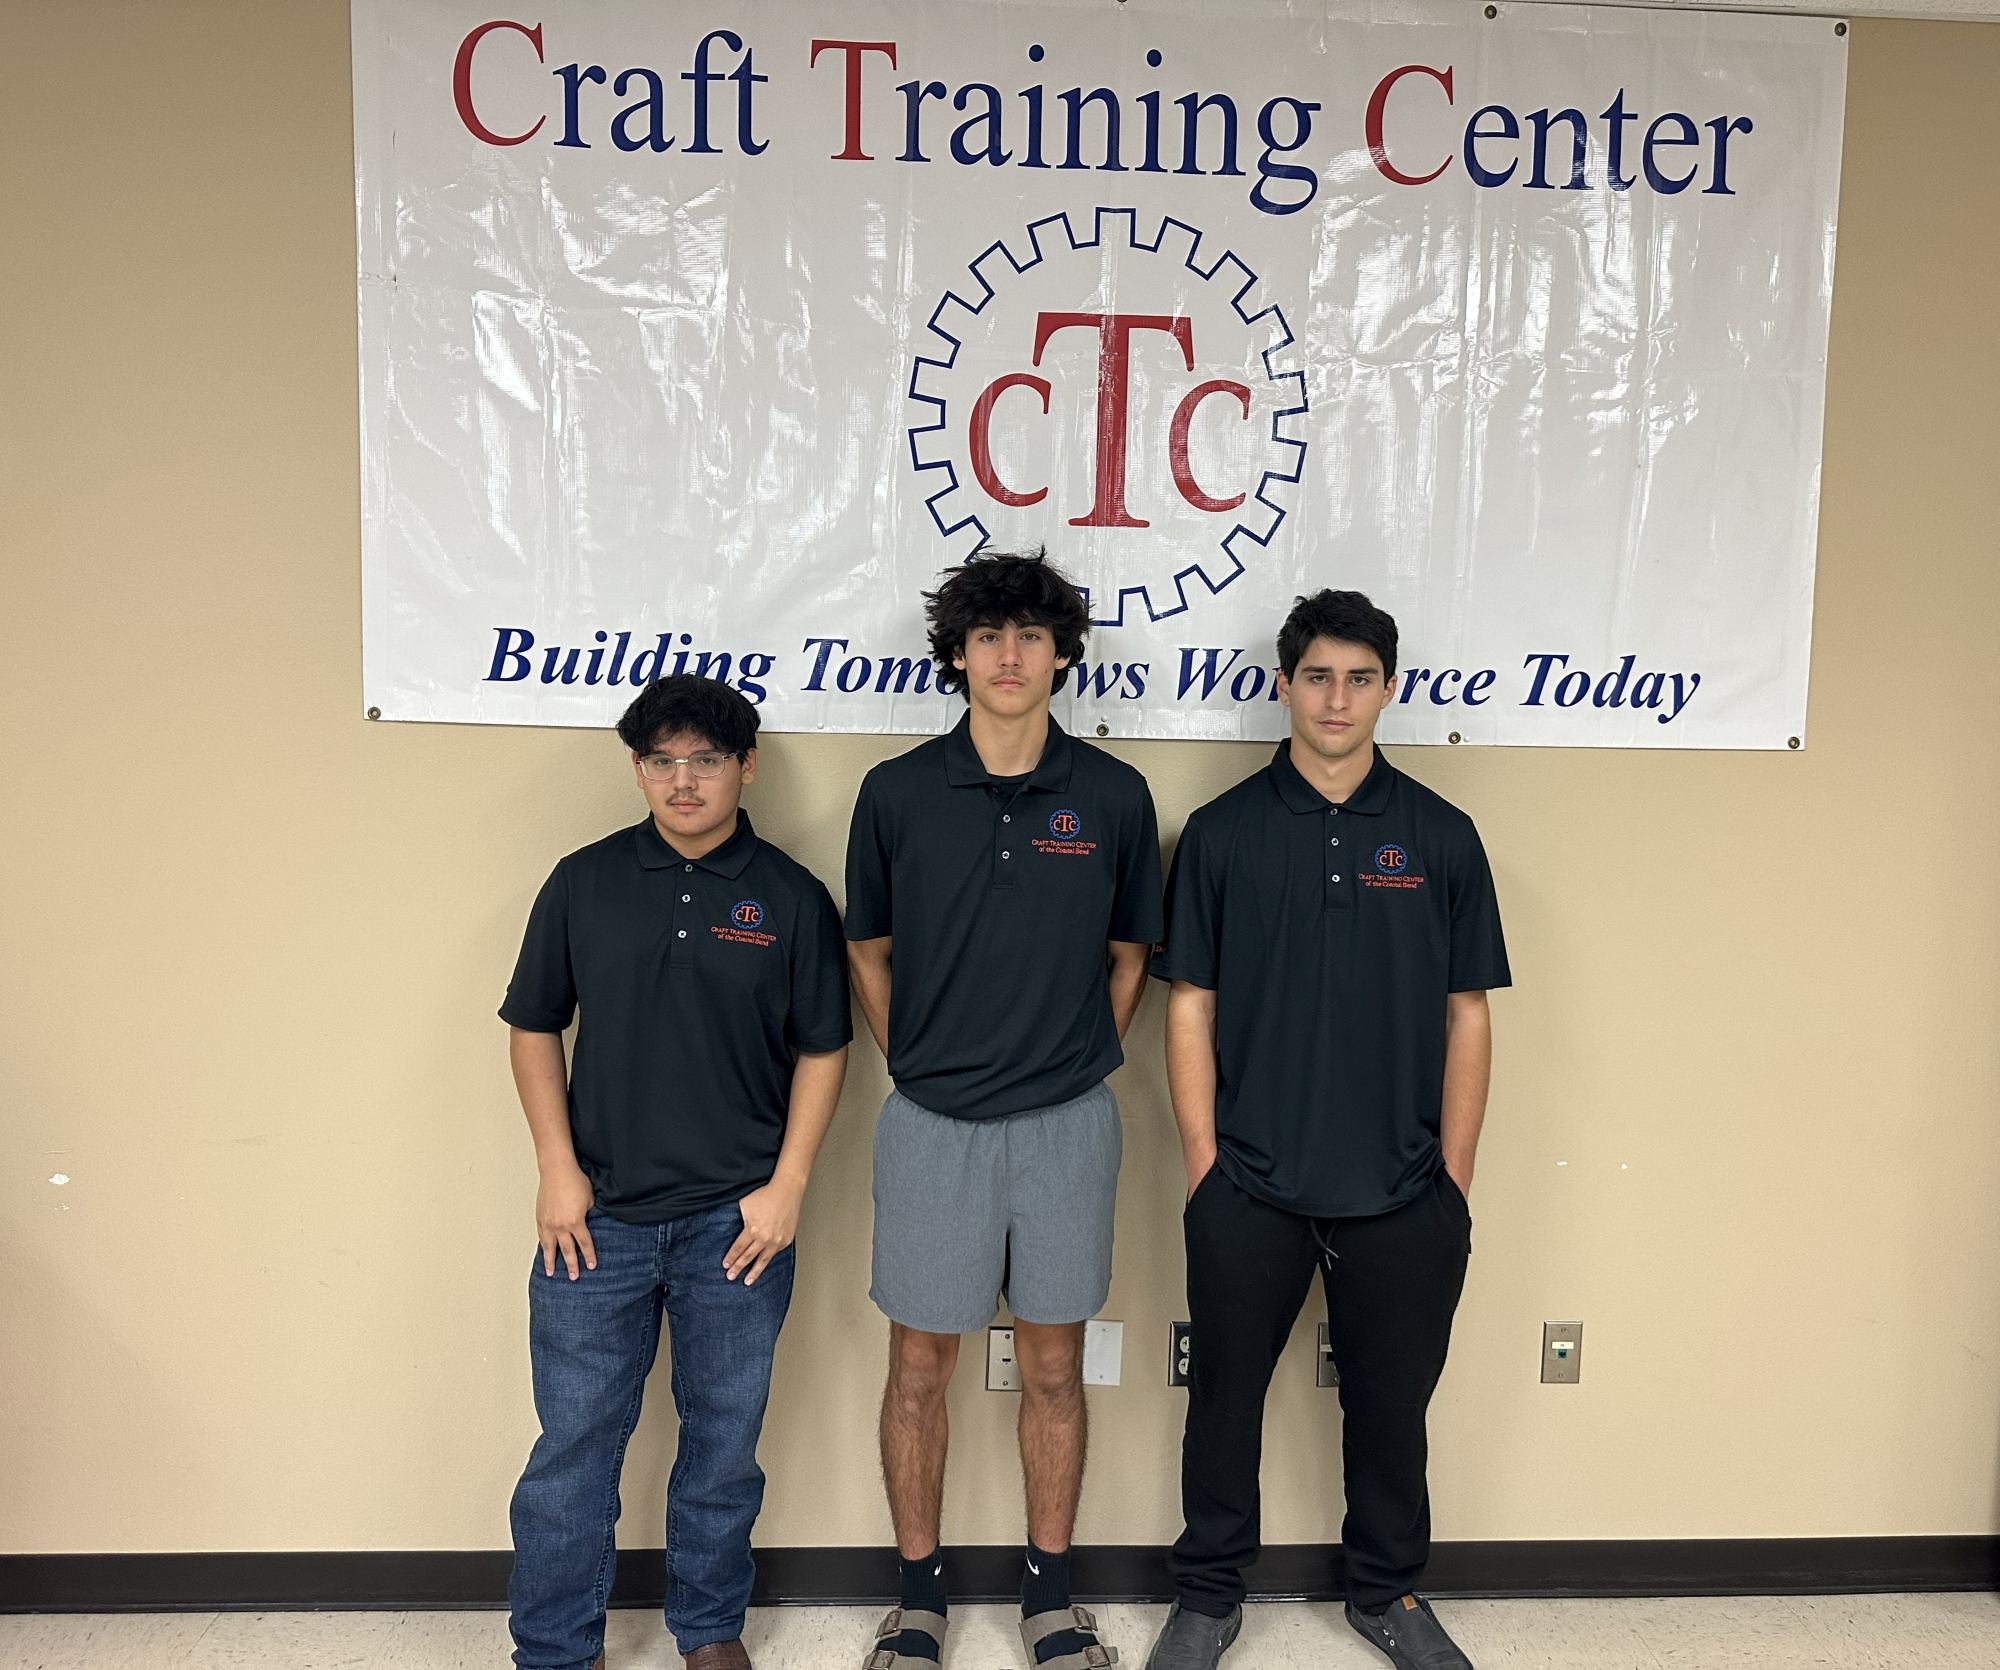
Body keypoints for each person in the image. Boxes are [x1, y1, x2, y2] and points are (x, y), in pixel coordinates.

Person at [1144, 591, 1510, 1670]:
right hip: (1248, 1183)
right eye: (1316, 675)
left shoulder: (1440, 836)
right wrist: (1206, 1165)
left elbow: (1466, 1011)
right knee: (1221, 1402)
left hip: (1403, 1189)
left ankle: (1386, 1590)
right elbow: (1188, 1005)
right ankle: (1207, 1594)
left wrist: (1452, 1174)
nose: (1336, 697)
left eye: (1358, 677)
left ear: (1388, 689)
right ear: (1282, 685)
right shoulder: (1220, 834)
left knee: (1390, 1408)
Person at [845, 550, 1163, 1670]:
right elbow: (866, 949)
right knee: (920, 1366)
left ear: (1062, 653)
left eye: (1031, 635)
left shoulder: (1113, 796)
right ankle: (918, 1598)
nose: (1010, 654)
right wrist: (918, 1062)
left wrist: (1079, 1054)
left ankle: (1048, 1598)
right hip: (932, 1123)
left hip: (1066, 1122)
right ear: (957, 654)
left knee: (1050, 1368)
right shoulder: (894, 791)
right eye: (988, 636)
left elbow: (1130, 953)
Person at [501, 675, 851, 1670]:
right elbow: (532, 1026)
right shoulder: (583, 880)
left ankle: (708, 1628)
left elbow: (824, 1049)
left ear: (745, 765)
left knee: (722, 1443)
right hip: (593, 1220)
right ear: (637, 768)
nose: (683, 779)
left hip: (733, 1227)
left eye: (704, 759)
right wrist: (555, 1168)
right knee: (571, 1453)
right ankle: (556, 1647)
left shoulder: (788, 895)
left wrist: (785, 1186)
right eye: (663, 760)